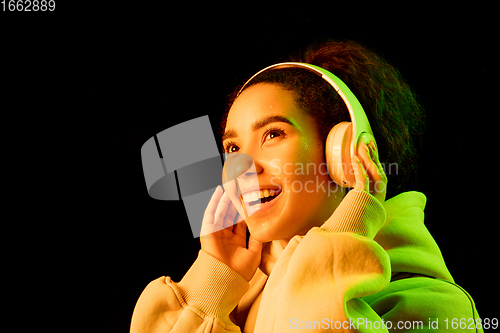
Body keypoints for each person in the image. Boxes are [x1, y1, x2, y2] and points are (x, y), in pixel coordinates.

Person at [130, 40, 482, 332]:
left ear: (341, 153)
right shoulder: (231, 303)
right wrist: (209, 287)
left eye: (273, 134)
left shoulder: (436, 309)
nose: (242, 168)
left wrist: (342, 240)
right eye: (233, 147)